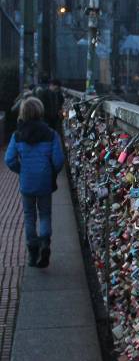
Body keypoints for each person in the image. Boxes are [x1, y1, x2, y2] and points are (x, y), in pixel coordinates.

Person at [4, 96, 64, 268]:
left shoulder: (17, 135)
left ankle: (32, 252)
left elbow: (9, 160)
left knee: (29, 216)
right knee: (45, 214)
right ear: (40, 112)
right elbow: (58, 161)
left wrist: (21, 170)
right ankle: (45, 243)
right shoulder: (51, 134)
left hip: (27, 182)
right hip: (44, 182)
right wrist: (51, 172)